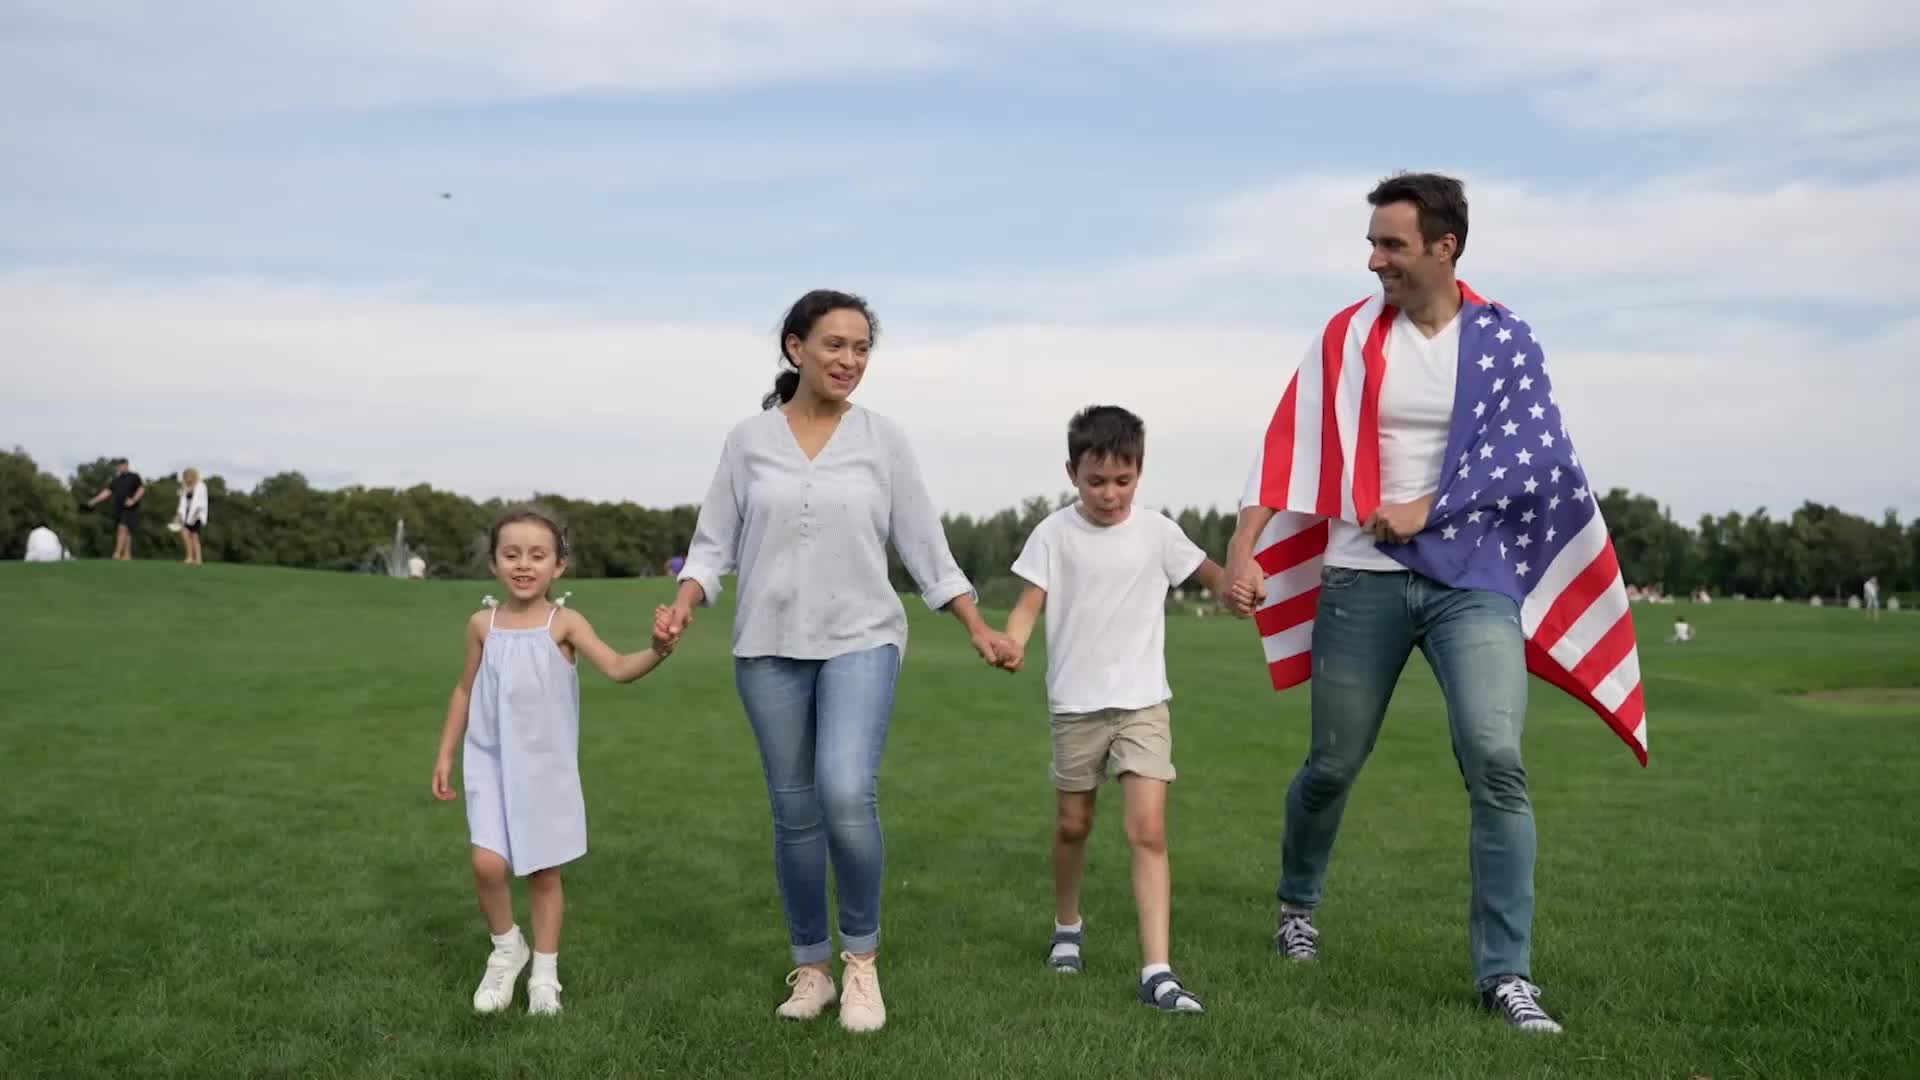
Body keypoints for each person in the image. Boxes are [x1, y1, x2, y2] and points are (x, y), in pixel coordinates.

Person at [1222, 173, 1645, 1036]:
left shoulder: (1503, 339)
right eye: (1373, 243)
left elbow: (1538, 455)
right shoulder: (1347, 336)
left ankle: (1506, 974)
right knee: (1332, 763)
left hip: (1472, 578)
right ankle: (1297, 905)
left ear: (1444, 247)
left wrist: (1432, 508)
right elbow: (1289, 438)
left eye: (1391, 245)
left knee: (1496, 757)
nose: (1374, 259)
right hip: (1360, 575)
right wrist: (1242, 544)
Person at [654, 289, 1014, 1034]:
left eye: (861, 348)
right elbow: (713, 544)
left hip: (862, 639)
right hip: (766, 648)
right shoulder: (748, 440)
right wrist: (686, 603)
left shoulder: (884, 440)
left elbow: (924, 547)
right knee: (794, 816)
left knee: (846, 794)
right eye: (834, 346)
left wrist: (977, 626)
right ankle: (811, 968)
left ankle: (861, 964)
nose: (849, 360)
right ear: (795, 349)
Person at [998, 405, 1223, 1013]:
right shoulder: (1052, 534)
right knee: (1074, 824)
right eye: (1096, 481)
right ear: (1072, 472)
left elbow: (1211, 575)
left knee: (1147, 830)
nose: (1109, 494)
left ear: (1139, 474)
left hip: (1143, 704)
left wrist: (1236, 586)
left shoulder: (1157, 532)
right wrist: (1014, 640)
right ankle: (1067, 929)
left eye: (1122, 481)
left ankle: (1158, 971)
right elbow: (1028, 602)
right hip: (1076, 705)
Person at [431, 506, 677, 1017]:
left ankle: (544, 972)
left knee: (544, 873)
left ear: (558, 565)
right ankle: (506, 950)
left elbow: (616, 667)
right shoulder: (483, 624)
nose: (524, 564)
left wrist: (657, 650)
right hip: (489, 764)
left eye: (537, 555)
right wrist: (446, 752)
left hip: (545, 769)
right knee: (487, 863)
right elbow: (464, 689)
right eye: (511, 554)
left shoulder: (564, 622)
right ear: (495, 564)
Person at [85, 458, 145, 560]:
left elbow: (141, 489)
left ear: (126, 465)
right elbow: (108, 492)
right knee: (126, 531)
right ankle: (127, 555)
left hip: (130, 508)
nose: (119, 467)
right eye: (117, 466)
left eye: (120, 465)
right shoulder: (116, 480)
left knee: (122, 528)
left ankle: (117, 554)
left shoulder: (134, 477)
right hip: (119, 509)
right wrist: (94, 501)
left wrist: (133, 500)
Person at [173, 468, 210, 565]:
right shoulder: (185, 487)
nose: (187, 478)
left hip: (197, 514)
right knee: (185, 534)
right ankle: (190, 557)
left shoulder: (201, 486)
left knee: (194, 536)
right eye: (185, 477)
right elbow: (182, 503)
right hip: (186, 514)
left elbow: (201, 502)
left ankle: (198, 559)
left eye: (188, 476)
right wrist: (179, 515)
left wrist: (195, 515)